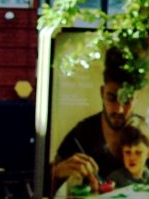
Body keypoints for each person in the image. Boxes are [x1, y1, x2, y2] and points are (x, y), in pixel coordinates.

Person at [49, 48, 142, 190]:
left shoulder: (145, 131)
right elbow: (46, 182)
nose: (119, 109)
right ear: (102, 93)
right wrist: (57, 172)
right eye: (112, 98)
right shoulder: (82, 133)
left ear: (137, 97)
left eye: (127, 100)